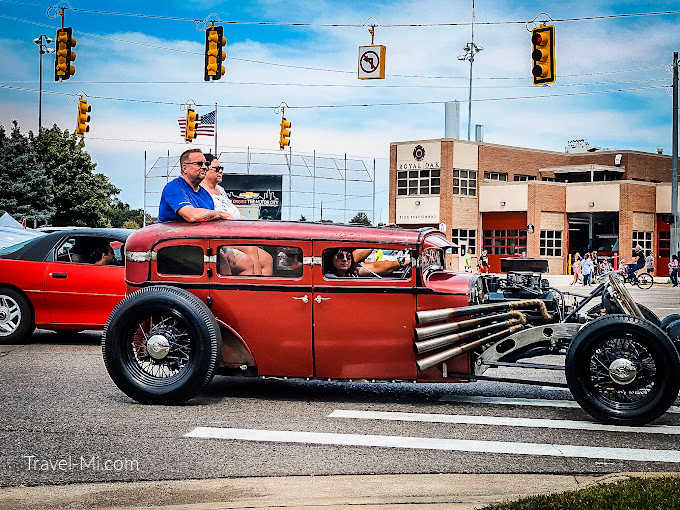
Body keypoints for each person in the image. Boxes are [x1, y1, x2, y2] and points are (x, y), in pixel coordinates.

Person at [158, 148, 236, 223]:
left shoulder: (205, 194)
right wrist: (221, 214)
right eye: (199, 164)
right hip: (172, 235)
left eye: (206, 164)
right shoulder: (174, 187)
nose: (204, 167)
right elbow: (192, 216)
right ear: (184, 168)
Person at [324, 247, 409, 278]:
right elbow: (358, 256)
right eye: (340, 256)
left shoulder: (353, 272)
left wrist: (400, 263)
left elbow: (375, 267)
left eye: (349, 257)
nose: (345, 260)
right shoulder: (329, 276)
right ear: (331, 259)